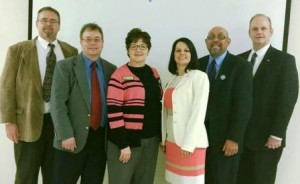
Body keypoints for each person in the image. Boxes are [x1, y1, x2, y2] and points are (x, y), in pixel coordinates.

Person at [0, 6, 78, 184]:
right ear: (36, 23)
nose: (48, 25)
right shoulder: (18, 50)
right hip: (26, 124)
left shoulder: (71, 52)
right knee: (26, 177)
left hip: (59, 126)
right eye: (44, 20)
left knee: (55, 177)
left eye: (53, 21)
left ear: (59, 26)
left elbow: (74, 90)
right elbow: (6, 87)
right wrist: (9, 121)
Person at [50, 23, 116, 184]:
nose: (92, 43)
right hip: (71, 139)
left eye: (97, 39)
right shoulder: (65, 67)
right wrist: (66, 134)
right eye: (88, 39)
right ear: (81, 42)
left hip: (99, 141)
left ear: (102, 43)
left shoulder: (111, 69)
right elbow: (57, 104)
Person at [236, 14, 299, 184]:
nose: (259, 32)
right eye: (255, 29)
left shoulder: (284, 61)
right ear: (249, 33)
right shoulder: (238, 60)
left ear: (271, 32)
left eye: (263, 28)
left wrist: (277, 134)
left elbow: (287, 99)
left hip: (266, 140)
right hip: (239, 140)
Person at [106, 28, 162, 184]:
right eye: (134, 46)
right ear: (127, 50)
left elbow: (158, 106)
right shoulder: (119, 75)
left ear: (148, 50)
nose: (138, 50)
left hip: (150, 141)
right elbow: (114, 111)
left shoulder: (154, 73)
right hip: (125, 143)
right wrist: (123, 144)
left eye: (143, 46)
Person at [198, 26, 253, 184]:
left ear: (228, 42)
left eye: (221, 37)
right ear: (206, 42)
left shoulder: (241, 67)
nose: (216, 40)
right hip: (200, 139)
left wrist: (234, 138)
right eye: (212, 36)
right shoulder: (198, 64)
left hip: (225, 141)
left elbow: (244, 105)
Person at [161, 37, 209, 184]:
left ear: (192, 54)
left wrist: (188, 144)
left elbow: (198, 112)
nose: (182, 53)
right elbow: (166, 113)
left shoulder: (199, 77)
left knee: (189, 182)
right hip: (172, 141)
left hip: (191, 144)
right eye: (178, 50)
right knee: (174, 181)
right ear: (173, 54)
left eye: (186, 50)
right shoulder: (172, 79)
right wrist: (164, 139)